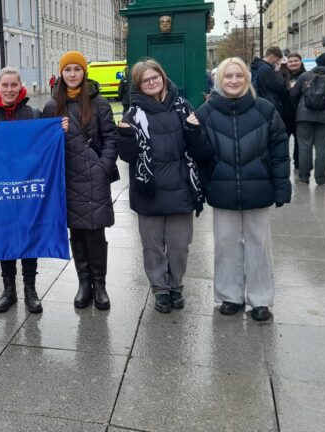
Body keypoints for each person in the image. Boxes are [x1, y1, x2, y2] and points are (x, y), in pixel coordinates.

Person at [196, 57, 291, 322]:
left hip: (258, 188)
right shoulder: (206, 112)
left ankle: (260, 299)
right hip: (222, 189)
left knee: (259, 245)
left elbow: (280, 152)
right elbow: (199, 155)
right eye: (228, 77)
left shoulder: (265, 109)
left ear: (247, 80)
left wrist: (282, 186)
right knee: (225, 245)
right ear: (219, 80)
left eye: (239, 76)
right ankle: (230, 295)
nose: (234, 81)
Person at [117, 60, 207, 313]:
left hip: (180, 188)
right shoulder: (132, 115)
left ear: (163, 77)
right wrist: (124, 138)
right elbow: (127, 157)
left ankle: (176, 285)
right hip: (149, 190)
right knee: (152, 246)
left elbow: (200, 149)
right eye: (145, 80)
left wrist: (194, 131)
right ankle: (160, 289)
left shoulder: (183, 107)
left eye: (155, 77)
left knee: (180, 246)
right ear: (138, 85)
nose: (152, 82)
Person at [42, 51, 118, 310]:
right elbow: (44, 145)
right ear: (61, 73)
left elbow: (111, 138)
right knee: (77, 232)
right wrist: (56, 133)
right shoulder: (52, 106)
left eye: (77, 69)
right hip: (68, 177)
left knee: (96, 233)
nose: (72, 74)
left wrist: (103, 167)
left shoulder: (100, 103)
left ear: (84, 72)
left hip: (93, 176)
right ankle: (83, 283)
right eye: (67, 69)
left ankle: (100, 284)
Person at [0, 67, 43, 314]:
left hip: (26, 187)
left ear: (21, 85)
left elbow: (43, 147)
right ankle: (9, 290)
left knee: (28, 237)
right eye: (5, 85)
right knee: (5, 237)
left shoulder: (33, 114)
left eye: (14, 85)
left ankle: (30, 290)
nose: (10, 89)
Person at [290, 52, 325, 186]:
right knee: (322, 148)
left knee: (304, 146)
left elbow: (293, 94)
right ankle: (321, 179)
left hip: (304, 116)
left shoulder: (305, 75)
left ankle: (303, 177)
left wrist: (299, 110)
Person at [250, 47, 289, 124]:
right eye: (277, 59)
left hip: (259, 100)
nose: (277, 62)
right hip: (269, 102)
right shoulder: (267, 69)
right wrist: (278, 72)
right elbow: (279, 86)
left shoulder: (256, 66)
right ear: (272, 56)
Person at [284, 53, 306, 168]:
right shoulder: (282, 76)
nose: (293, 63)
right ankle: (284, 161)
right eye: (290, 61)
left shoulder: (306, 75)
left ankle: (298, 163)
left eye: (296, 61)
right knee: (283, 140)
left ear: (300, 61)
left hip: (300, 115)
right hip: (285, 115)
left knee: (300, 141)